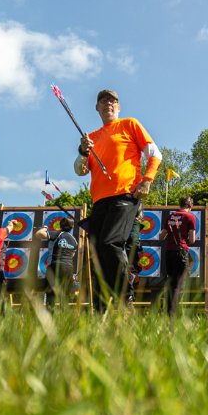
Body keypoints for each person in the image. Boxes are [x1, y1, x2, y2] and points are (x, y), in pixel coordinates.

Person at [73, 88, 163, 312]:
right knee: (97, 253)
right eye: (103, 101)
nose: (108, 104)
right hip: (99, 201)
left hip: (125, 195)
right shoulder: (91, 137)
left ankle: (124, 301)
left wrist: (147, 180)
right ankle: (102, 309)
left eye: (112, 101)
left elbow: (155, 154)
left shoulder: (130, 124)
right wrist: (83, 151)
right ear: (97, 108)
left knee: (110, 243)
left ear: (119, 106)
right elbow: (79, 171)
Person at [156, 197, 198, 316]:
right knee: (178, 284)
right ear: (191, 205)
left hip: (169, 253)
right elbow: (192, 239)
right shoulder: (190, 217)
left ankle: (165, 309)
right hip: (181, 252)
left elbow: (161, 237)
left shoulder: (170, 217)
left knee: (170, 281)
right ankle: (171, 312)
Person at [37, 216, 79, 309]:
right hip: (68, 268)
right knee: (65, 295)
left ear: (61, 225)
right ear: (71, 227)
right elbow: (72, 255)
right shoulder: (74, 240)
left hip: (55, 266)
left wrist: (44, 228)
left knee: (51, 293)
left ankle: (49, 317)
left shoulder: (57, 234)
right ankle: (64, 318)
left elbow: (38, 234)